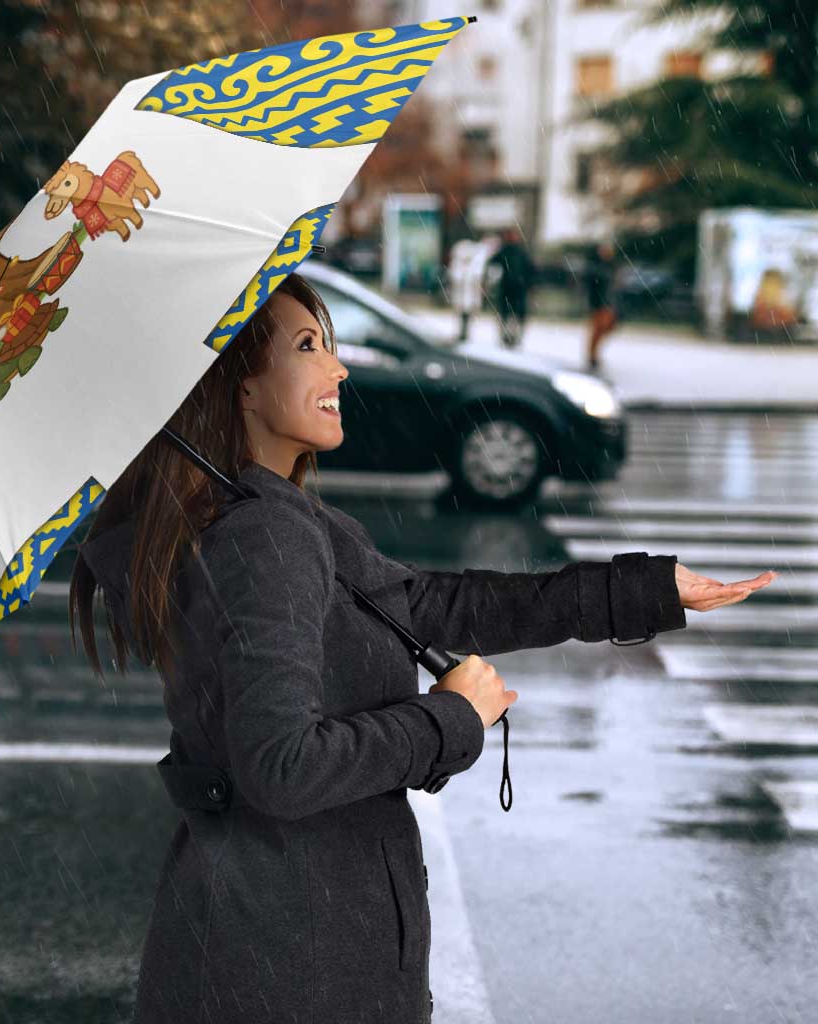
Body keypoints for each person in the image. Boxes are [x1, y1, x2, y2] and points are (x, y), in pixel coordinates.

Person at [69, 272, 774, 1024]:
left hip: (274, 941)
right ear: (239, 387)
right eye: (308, 347)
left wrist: (643, 591)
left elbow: (436, 605)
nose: (338, 368)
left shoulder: (271, 519)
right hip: (293, 963)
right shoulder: (264, 537)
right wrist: (449, 719)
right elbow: (281, 767)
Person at [486, 226, 536, 349]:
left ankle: (513, 337)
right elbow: (492, 264)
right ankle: (507, 337)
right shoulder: (506, 251)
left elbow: (530, 270)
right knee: (507, 314)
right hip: (509, 288)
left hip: (517, 288)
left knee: (514, 315)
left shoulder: (519, 252)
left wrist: (529, 284)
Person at [584, 239, 620, 370]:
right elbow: (593, 286)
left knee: (606, 328)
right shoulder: (596, 267)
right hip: (599, 303)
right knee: (598, 329)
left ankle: (593, 354)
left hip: (608, 303)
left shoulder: (611, 266)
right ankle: (592, 355)